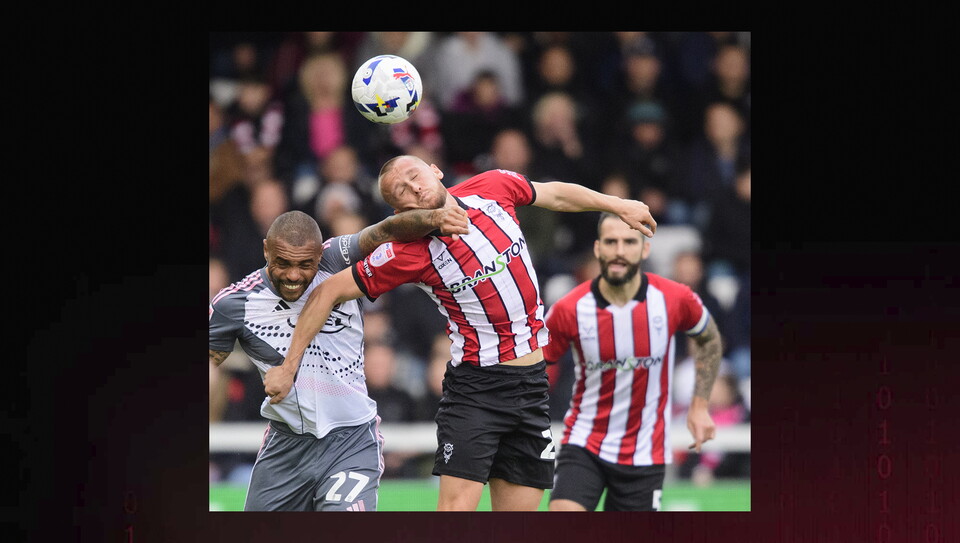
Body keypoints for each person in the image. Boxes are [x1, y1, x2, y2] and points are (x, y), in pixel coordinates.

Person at [265, 154, 657, 511]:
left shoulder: (492, 187)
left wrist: (617, 205)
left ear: (435, 170)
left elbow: (553, 194)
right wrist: (288, 366)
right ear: (400, 211)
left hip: (532, 387)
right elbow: (327, 291)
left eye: (415, 175)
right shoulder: (409, 253)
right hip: (477, 392)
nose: (414, 187)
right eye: (402, 191)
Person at [208, 206, 469, 511]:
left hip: (351, 442)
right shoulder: (234, 304)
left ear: (320, 253)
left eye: (305, 264)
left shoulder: (337, 259)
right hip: (285, 447)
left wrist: (435, 218)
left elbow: (387, 229)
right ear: (266, 250)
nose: (293, 275)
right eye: (283, 263)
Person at [542, 212, 723, 511]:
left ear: (645, 249)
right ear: (598, 248)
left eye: (629, 242)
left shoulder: (674, 298)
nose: (620, 251)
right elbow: (534, 365)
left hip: (645, 452)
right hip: (585, 442)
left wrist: (700, 405)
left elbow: (709, 338)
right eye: (611, 242)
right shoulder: (570, 308)